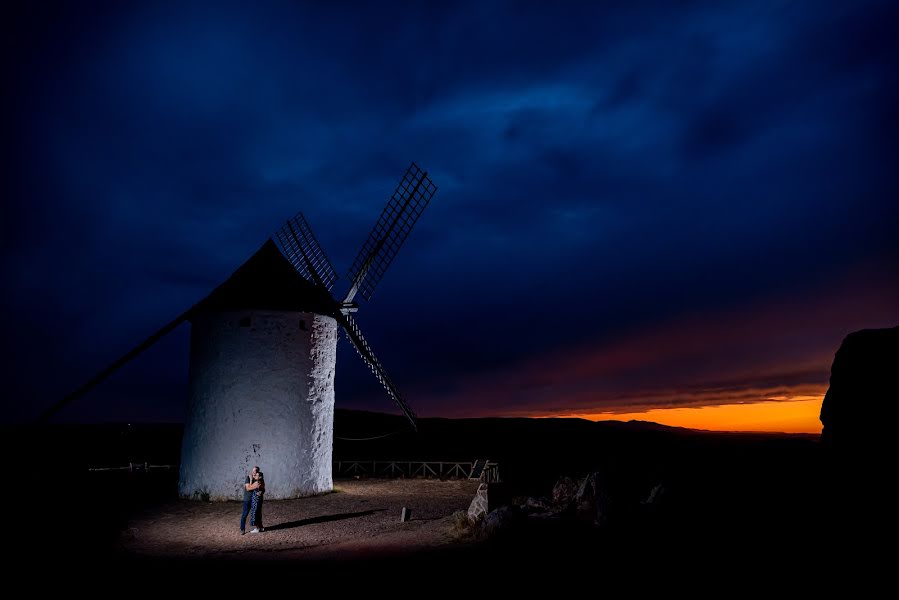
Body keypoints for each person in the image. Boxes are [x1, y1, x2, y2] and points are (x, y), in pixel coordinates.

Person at [240, 466, 261, 535]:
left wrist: (260, 492)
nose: (254, 472)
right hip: (247, 499)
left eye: (255, 471)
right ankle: (242, 529)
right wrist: (252, 482)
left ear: (258, 472)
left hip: (254, 500)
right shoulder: (248, 478)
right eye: (253, 471)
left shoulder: (257, 478)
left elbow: (261, 488)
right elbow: (248, 489)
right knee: (244, 514)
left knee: (256, 514)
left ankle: (259, 527)